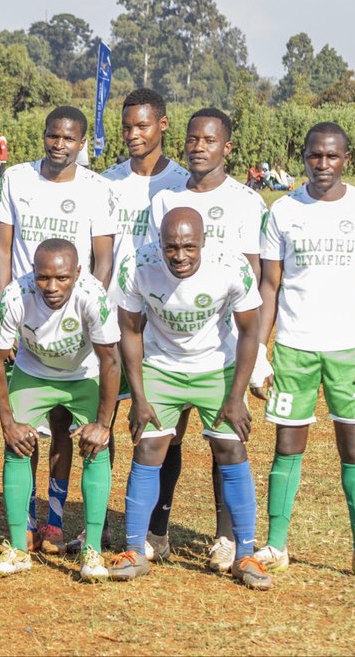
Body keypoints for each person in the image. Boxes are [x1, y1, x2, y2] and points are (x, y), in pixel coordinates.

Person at [253, 122, 355, 579]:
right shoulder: (283, 210)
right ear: (304, 157)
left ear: (346, 159)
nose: (323, 164)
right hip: (294, 347)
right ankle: (276, 545)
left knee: (354, 444)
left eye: (332, 156)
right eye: (315, 155)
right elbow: (270, 285)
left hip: (350, 350)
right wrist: (259, 351)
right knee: (287, 444)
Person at [108, 207, 272, 591]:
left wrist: (236, 397)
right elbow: (129, 331)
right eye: (171, 247)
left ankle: (244, 553)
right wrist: (140, 396)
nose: (179, 256)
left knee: (231, 451)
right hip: (162, 365)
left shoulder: (231, 265)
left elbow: (250, 331)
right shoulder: (137, 263)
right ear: (159, 244)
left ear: (203, 242)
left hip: (217, 366)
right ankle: (135, 549)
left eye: (188, 247)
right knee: (148, 449)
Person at [142, 107, 269, 569]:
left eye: (209, 140)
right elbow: (148, 267)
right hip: (167, 344)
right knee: (164, 440)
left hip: (224, 344)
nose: (198, 147)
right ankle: (158, 530)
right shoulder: (163, 198)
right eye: (193, 139)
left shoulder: (245, 201)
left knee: (224, 440)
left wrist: (258, 356)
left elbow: (254, 277)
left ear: (226, 148)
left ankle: (225, 538)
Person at [0, 105, 116, 554]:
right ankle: (23, 520)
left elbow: (104, 260)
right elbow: (1, 249)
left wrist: (82, 316)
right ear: (43, 136)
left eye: (68, 139)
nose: (58, 144)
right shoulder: (16, 180)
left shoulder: (98, 188)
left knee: (65, 427)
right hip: (26, 322)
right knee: (23, 430)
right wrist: (3, 312)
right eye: (52, 136)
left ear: (82, 144)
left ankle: (56, 519)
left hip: (74, 328)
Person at [0, 239, 120, 581]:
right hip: (34, 371)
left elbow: (111, 360)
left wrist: (103, 424)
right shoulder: (15, 295)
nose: (52, 286)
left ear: (77, 273)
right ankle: (18, 548)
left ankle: (92, 553)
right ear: (33, 273)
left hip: (84, 372)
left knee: (96, 446)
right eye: (44, 277)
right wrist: (8, 423)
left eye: (61, 278)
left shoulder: (93, 295)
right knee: (17, 445)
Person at [95, 88, 189, 556]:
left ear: (163, 125)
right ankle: (104, 520)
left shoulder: (184, 184)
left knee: (165, 433)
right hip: (115, 320)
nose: (133, 135)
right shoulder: (105, 182)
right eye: (127, 126)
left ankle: (158, 526)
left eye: (143, 126)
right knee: (105, 423)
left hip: (168, 325)